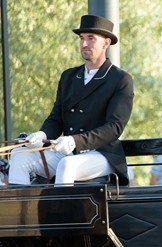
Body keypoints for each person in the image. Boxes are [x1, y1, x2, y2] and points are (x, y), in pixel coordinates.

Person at [8, 15, 133, 186]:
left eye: (91, 38)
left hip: (102, 154)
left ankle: (61, 214)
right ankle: (22, 213)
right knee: (18, 155)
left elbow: (114, 128)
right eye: (82, 38)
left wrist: (75, 141)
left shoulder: (120, 79)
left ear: (106, 43)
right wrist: (42, 134)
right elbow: (56, 118)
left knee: (66, 165)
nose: (84, 44)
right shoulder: (68, 76)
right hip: (68, 151)